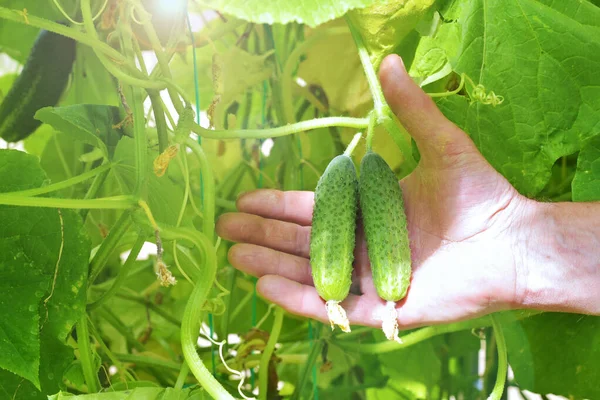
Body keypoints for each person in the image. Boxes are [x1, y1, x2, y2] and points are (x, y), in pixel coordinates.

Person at [216, 55, 600, 330]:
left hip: (392, 278)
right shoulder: (386, 279)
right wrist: (515, 242)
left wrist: (513, 240)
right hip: (396, 279)